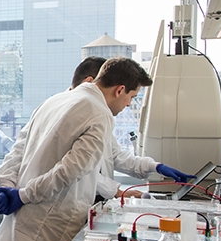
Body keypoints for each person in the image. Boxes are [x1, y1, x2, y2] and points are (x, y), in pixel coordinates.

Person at [0, 57, 152, 241]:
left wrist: (6, 185)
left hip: (25, 218)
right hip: (49, 220)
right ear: (119, 89)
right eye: (131, 96)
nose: (129, 103)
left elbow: (18, 150)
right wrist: (21, 194)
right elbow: (70, 171)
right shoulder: (100, 113)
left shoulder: (55, 100)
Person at [71, 56, 192, 200]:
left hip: (91, 201)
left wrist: (155, 167)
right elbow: (78, 171)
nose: (128, 104)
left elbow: (115, 156)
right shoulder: (76, 113)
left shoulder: (98, 114)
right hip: (73, 203)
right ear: (90, 82)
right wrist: (117, 192)